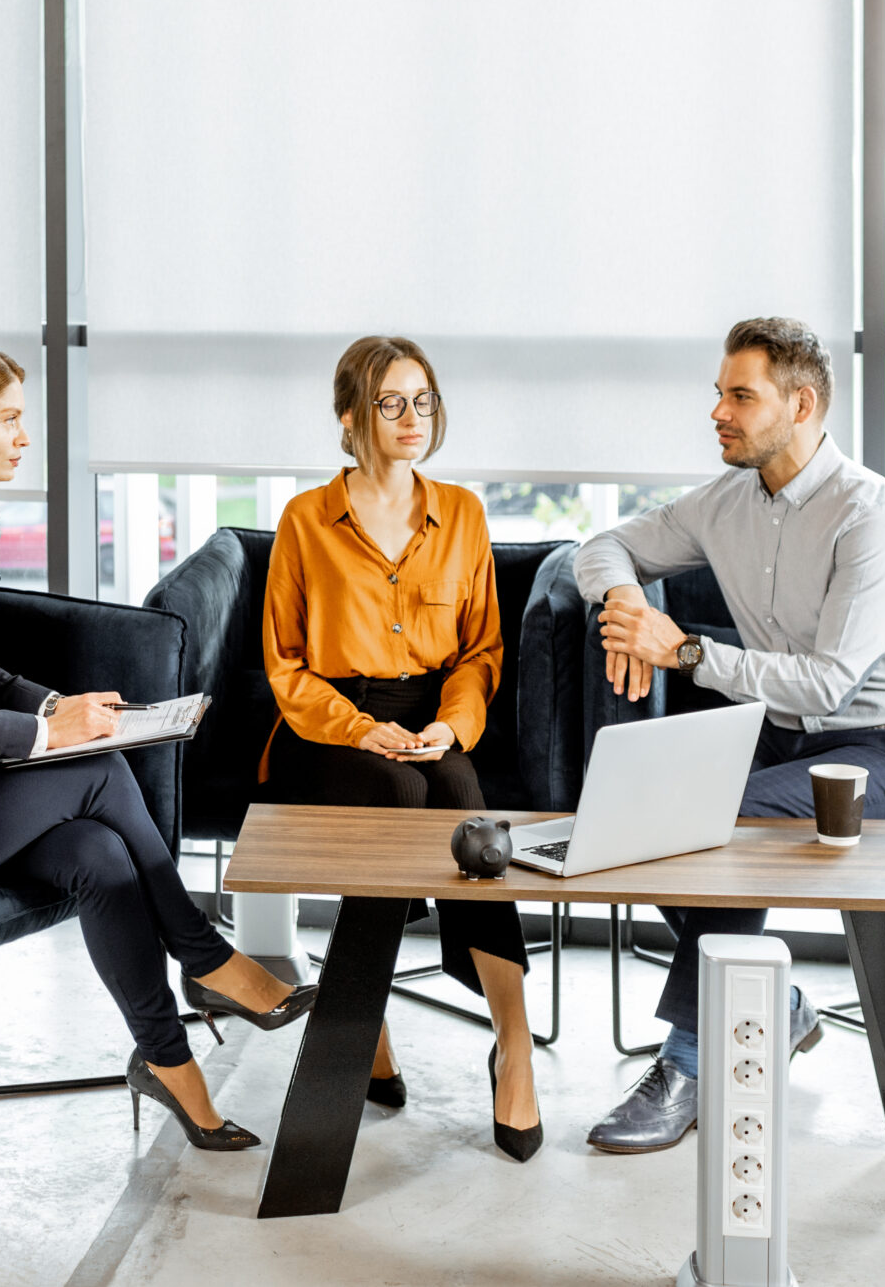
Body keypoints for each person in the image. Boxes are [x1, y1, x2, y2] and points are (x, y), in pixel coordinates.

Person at [0, 337, 313, 1150]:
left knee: (100, 854)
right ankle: (205, 956)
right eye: (9, 418)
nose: (23, 435)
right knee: (96, 763)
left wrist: (57, 702)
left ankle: (169, 1065)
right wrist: (54, 733)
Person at [576, 317, 885, 1152]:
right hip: (779, 738)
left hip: (884, 748)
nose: (719, 410)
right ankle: (772, 1003)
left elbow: (827, 681)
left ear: (803, 402)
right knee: (639, 813)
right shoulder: (723, 503)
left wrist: (683, 650)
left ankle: (689, 1062)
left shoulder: (872, 518)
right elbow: (602, 544)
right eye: (718, 392)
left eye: (740, 395)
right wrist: (627, 604)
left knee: (719, 830)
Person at [261, 335, 544, 1162]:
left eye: (423, 399)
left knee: (465, 808)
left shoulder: (461, 512)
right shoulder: (306, 519)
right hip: (330, 724)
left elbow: (480, 652)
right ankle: (362, 1016)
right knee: (398, 796)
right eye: (390, 402)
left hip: (434, 716)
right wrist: (358, 725)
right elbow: (284, 664)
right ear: (351, 417)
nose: (411, 417)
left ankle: (513, 1042)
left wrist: (450, 725)